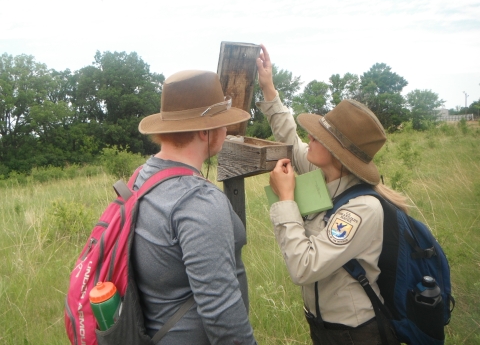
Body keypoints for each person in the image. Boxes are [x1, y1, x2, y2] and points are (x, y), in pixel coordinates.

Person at [255, 45, 406, 345]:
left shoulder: (362, 210)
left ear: (339, 155)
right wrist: (269, 89)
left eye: (320, 137)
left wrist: (286, 200)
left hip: (354, 334)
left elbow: (304, 266)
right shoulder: (322, 170)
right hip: (324, 327)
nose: (310, 137)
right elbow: (288, 135)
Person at [133, 69, 257, 344]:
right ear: (205, 131)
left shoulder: (141, 177)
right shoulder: (198, 201)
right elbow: (222, 315)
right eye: (222, 122)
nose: (226, 130)